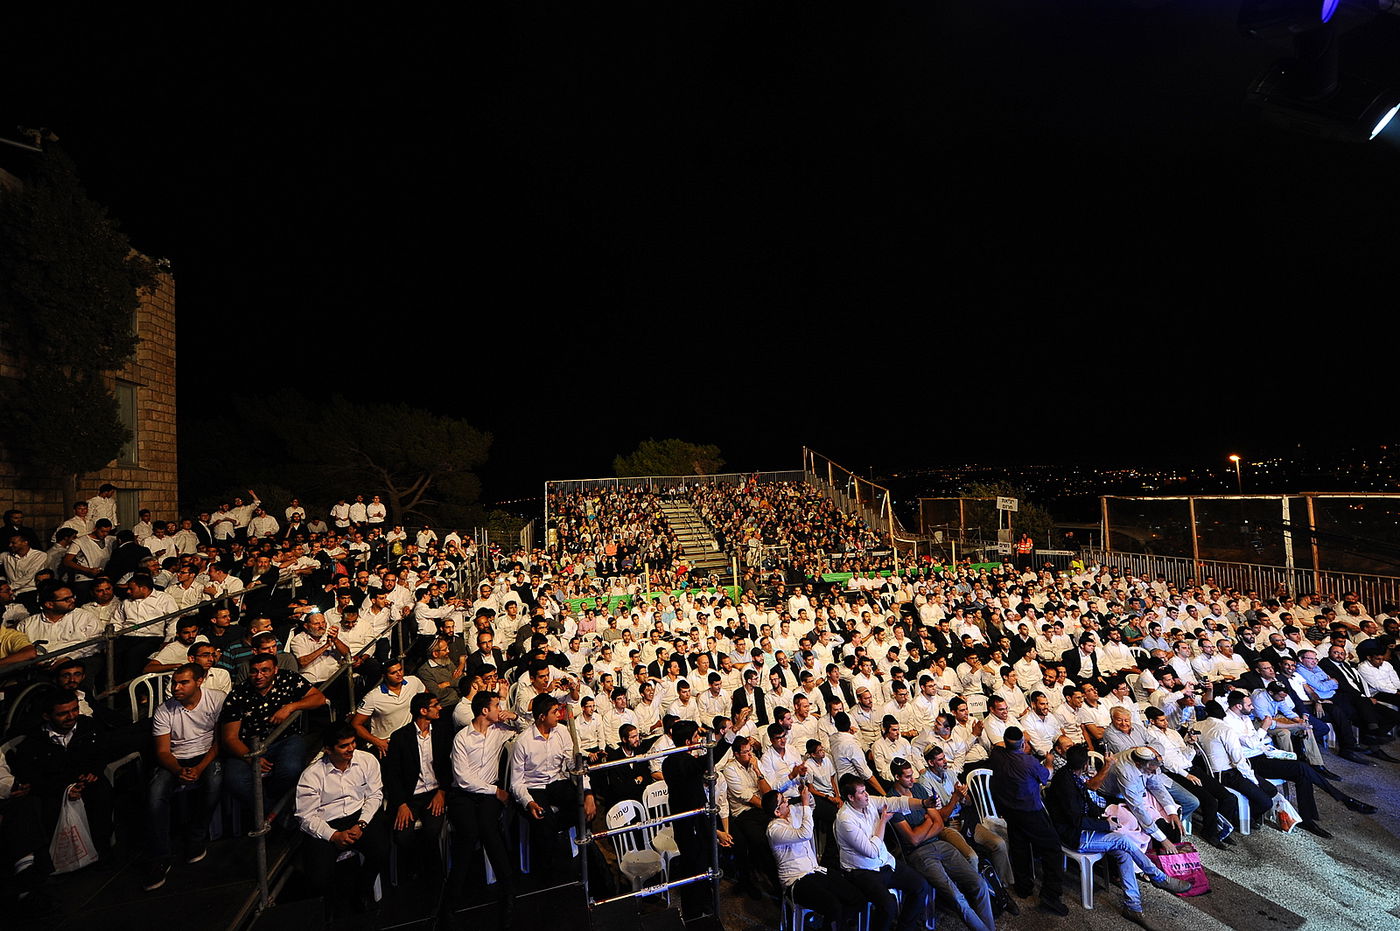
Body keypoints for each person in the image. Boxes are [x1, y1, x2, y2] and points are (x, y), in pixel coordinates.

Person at [1046, 744, 1191, 929]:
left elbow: (1087, 801)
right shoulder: (1065, 782)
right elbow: (1075, 819)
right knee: (1123, 840)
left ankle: (1132, 906)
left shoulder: (1071, 775)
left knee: (1124, 852)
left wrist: (1103, 815)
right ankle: (1158, 877)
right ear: (1083, 766)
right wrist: (1105, 824)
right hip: (1073, 835)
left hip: (1084, 827)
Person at [887, 757, 996, 931]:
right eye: (907, 777)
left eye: (912, 775)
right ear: (896, 777)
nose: (913, 780)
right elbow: (913, 839)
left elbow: (939, 822)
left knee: (980, 884)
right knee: (957, 897)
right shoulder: (892, 800)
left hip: (939, 844)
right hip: (919, 854)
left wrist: (926, 825)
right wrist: (929, 821)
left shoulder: (918, 789)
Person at [294, 723, 391, 914]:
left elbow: (374, 795)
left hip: (359, 815)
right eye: (344, 745)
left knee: (381, 850)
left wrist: (361, 824)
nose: (351, 748)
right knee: (318, 876)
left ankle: (363, 890)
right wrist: (333, 835)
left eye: (353, 743)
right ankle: (331, 907)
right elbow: (306, 817)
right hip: (327, 821)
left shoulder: (366, 760)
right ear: (328, 750)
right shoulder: (312, 775)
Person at [144, 663, 225, 890]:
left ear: (199, 681)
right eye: (174, 682)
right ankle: (159, 857)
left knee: (215, 780)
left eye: (183, 682)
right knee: (154, 795)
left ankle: (196, 837)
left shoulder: (216, 699)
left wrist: (199, 768)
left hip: (207, 755)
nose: (176, 687)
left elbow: (220, 742)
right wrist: (179, 770)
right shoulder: (164, 709)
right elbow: (162, 751)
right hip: (175, 759)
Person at [12, 690, 114, 862]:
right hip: (55, 787)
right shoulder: (35, 742)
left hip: (85, 781)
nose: (71, 716)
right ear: (47, 716)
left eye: (74, 710)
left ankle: (102, 850)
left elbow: (101, 753)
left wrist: (93, 771)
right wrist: (65, 789)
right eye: (63, 713)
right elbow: (33, 776)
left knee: (102, 792)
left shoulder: (88, 727)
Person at [219, 654, 327, 812]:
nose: (259, 676)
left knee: (291, 769)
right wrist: (252, 758)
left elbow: (319, 698)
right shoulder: (239, 694)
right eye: (254, 671)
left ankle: (274, 808)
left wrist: (291, 707)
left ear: (275, 670)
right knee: (234, 780)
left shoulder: (288, 678)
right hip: (248, 746)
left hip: (286, 738)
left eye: (265, 670)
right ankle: (271, 813)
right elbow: (229, 738)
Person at [445, 692, 517, 922]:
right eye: (497, 706)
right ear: (484, 711)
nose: (500, 709)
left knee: (489, 830)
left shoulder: (500, 730)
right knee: (468, 834)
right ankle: (451, 900)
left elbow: (527, 726)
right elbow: (463, 779)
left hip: (487, 795)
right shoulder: (462, 738)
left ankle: (508, 892)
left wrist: (512, 715)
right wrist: (495, 791)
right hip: (465, 795)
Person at [509, 694, 596, 880]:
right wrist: (528, 802)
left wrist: (588, 793)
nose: (559, 715)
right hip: (534, 787)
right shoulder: (523, 742)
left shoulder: (562, 732)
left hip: (557, 782)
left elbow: (575, 766)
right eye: (555, 712)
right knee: (542, 818)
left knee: (582, 807)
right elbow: (516, 783)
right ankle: (549, 875)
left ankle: (586, 856)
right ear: (542, 717)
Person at [833, 772, 931, 931]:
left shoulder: (868, 802)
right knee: (888, 907)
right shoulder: (845, 819)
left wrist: (924, 803)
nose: (867, 795)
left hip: (884, 861)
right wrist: (883, 822)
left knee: (920, 886)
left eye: (866, 791)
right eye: (862, 792)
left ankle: (905, 928)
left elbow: (894, 802)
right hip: (861, 870)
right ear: (851, 798)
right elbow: (871, 851)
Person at [765, 782, 866, 931]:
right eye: (783, 801)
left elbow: (811, 805)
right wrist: (804, 803)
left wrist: (805, 794)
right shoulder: (774, 830)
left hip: (815, 870)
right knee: (833, 906)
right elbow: (804, 834)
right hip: (796, 880)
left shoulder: (792, 812)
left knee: (857, 898)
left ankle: (836, 925)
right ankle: (835, 925)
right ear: (777, 812)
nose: (787, 801)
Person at [986, 726, 1065, 915]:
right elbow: (1046, 777)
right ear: (1022, 744)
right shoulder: (1028, 762)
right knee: (1053, 848)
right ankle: (1051, 895)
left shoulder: (996, 755)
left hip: (1010, 811)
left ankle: (1023, 888)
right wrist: (1049, 762)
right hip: (1030, 812)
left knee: (1019, 847)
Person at [664, 719, 734, 921]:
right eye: (696, 737)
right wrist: (732, 732)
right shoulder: (682, 763)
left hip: (694, 823)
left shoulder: (671, 760)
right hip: (691, 826)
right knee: (695, 871)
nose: (699, 740)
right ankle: (694, 916)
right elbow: (708, 760)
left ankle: (704, 907)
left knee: (701, 869)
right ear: (688, 741)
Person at [382, 693, 451, 882]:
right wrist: (401, 804)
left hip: (434, 793)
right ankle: (414, 869)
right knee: (402, 836)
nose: (440, 708)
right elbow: (392, 776)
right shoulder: (400, 737)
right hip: (410, 796)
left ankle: (434, 876)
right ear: (423, 711)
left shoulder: (442, 731)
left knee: (432, 831)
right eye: (436, 705)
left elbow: (448, 767)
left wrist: (442, 792)